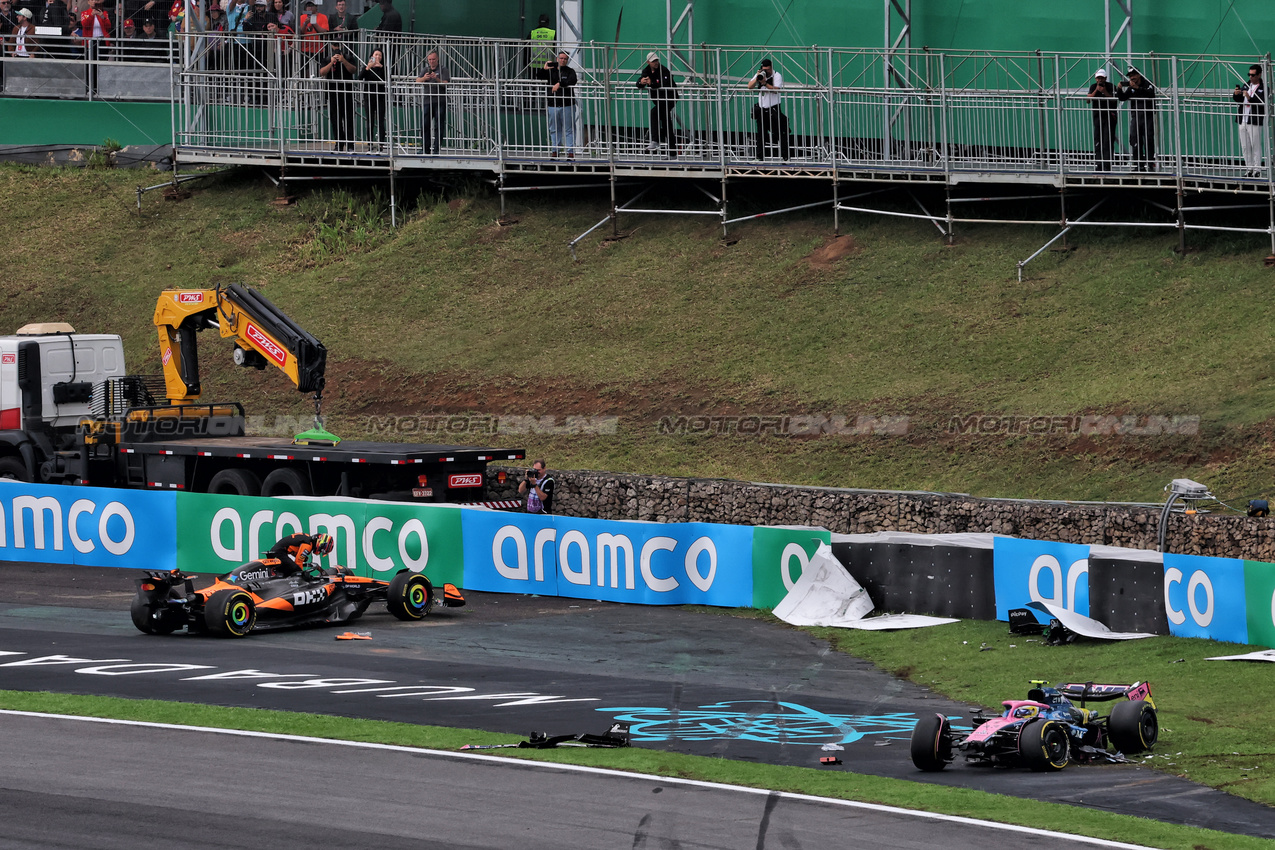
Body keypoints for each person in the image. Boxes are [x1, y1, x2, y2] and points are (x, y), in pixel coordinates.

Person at [535, 49, 577, 159]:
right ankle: (555, 150)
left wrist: (559, 84)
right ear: (557, 59)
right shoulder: (551, 70)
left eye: (565, 59)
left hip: (567, 104)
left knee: (569, 129)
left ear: (567, 60)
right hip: (553, 104)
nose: (563, 60)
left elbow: (572, 80)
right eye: (561, 58)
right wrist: (544, 69)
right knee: (554, 128)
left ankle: (570, 152)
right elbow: (538, 76)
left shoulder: (570, 71)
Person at [636, 51, 677, 158]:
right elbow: (639, 83)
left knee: (654, 113)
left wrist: (652, 83)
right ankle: (672, 153)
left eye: (657, 60)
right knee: (666, 124)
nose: (656, 63)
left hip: (669, 98)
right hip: (659, 100)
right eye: (653, 61)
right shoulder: (646, 70)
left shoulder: (664, 70)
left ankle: (655, 140)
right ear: (648, 62)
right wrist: (642, 82)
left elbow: (665, 84)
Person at [748, 57, 789, 161]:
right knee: (761, 134)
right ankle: (759, 157)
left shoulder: (777, 75)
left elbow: (776, 90)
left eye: (768, 69)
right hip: (762, 109)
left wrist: (765, 83)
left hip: (773, 109)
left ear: (771, 68)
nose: (766, 71)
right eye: (764, 69)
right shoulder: (760, 74)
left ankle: (786, 157)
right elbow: (749, 86)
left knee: (780, 133)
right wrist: (758, 77)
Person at [1117, 67, 1157, 172]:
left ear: (1139, 74)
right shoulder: (1131, 87)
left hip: (1147, 115)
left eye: (1134, 75)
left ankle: (1149, 163)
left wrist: (1138, 88)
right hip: (1136, 116)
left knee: (1148, 139)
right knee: (1135, 140)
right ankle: (1138, 164)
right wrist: (1119, 89)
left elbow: (1151, 94)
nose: (1132, 78)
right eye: (1130, 76)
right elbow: (1123, 97)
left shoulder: (1147, 83)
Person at [319, 42, 357, 151]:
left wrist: (343, 61)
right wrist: (331, 63)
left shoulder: (349, 57)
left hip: (347, 93)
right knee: (335, 120)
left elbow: (353, 70)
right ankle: (339, 144)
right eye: (334, 45)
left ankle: (350, 145)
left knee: (349, 119)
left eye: (338, 45)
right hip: (332, 93)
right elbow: (322, 72)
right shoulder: (327, 59)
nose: (336, 48)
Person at [1234, 64, 1267, 178]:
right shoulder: (1246, 84)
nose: (1251, 77)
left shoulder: (1263, 88)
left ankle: (1257, 169)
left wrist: (1249, 97)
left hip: (1254, 120)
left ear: (1259, 75)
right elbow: (1238, 100)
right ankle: (1249, 168)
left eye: (1253, 75)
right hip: (1243, 118)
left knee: (1255, 145)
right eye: (1249, 74)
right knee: (1245, 146)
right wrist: (1236, 94)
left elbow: (1261, 102)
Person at [415, 49, 449, 154]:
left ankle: (436, 149)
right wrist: (424, 78)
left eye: (433, 59)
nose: (432, 61)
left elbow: (446, 83)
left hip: (440, 101)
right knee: (425, 125)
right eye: (430, 59)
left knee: (439, 125)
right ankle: (425, 148)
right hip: (427, 101)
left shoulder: (443, 69)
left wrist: (437, 78)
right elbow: (417, 80)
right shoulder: (425, 69)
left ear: (437, 59)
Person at [1086, 68, 1116, 173]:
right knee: (1098, 140)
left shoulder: (1111, 86)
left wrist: (1104, 92)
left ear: (1105, 78)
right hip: (1098, 117)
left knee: (1107, 141)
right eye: (1098, 78)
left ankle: (1107, 165)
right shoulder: (1093, 87)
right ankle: (1099, 164)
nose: (1100, 80)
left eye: (1102, 78)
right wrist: (1096, 91)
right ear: (1095, 78)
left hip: (1109, 117)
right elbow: (1088, 100)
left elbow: (1114, 100)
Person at [265, 531, 335, 575]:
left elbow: (292, 548)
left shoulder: (308, 539)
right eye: (322, 550)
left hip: (280, 550)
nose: (320, 552)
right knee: (295, 569)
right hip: (279, 551)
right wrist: (301, 575)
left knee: (295, 565)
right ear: (320, 544)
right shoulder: (308, 545)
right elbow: (298, 561)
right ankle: (275, 573)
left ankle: (277, 572)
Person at [360, 47, 388, 145]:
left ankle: (381, 143)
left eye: (379, 55)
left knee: (380, 120)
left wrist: (381, 67)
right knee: (370, 120)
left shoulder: (384, 68)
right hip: (369, 97)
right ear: (372, 56)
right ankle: (370, 143)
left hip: (380, 97)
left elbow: (386, 80)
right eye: (376, 55)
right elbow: (360, 78)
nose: (378, 57)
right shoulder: (366, 67)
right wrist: (368, 67)